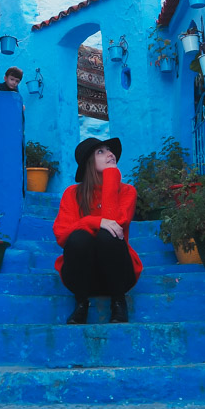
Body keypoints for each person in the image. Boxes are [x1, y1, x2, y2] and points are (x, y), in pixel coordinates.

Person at [52, 137, 142, 324]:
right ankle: (81, 305)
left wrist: (111, 176)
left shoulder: (127, 191)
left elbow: (116, 225)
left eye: (110, 150)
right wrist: (94, 221)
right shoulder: (72, 194)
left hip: (118, 276)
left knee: (107, 235)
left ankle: (118, 303)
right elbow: (62, 235)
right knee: (78, 238)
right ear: (89, 163)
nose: (110, 154)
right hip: (82, 277)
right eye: (100, 151)